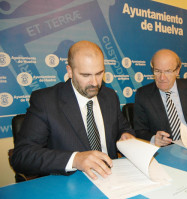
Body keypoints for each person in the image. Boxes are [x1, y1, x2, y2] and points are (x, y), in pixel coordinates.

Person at [12, 40, 135, 180]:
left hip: (113, 178)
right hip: (71, 183)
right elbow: (22, 156)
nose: (95, 83)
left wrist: (126, 135)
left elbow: (124, 128)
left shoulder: (109, 96)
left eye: (99, 73)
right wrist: (75, 159)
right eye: (85, 75)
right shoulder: (45, 101)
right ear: (70, 71)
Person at [134, 49, 187, 146]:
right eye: (157, 71)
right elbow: (139, 131)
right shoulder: (143, 95)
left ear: (177, 71)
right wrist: (153, 139)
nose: (162, 77)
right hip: (166, 150)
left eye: (168, 71)